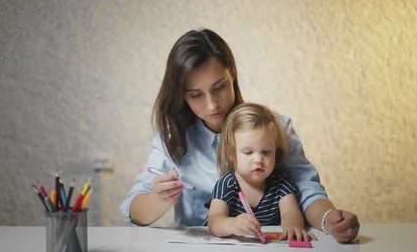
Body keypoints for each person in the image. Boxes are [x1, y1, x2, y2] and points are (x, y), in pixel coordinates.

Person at [119, 28, 360, 243]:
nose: (212, 105)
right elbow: (134, 209)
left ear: (232, 74)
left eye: (219, 87)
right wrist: (159, 199)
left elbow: (307, 189)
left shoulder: (275, 127)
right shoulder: (173, 138)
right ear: (182, 96)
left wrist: (329, 220)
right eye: (196, 95)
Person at [206, 102, 314, 242]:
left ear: (276, 151)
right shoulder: (227, 184)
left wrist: (293, 225)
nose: (258, 159)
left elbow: (290, 212)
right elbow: (215, 221)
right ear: (231, 154)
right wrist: (234, 224)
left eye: (266, 152)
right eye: (248, 152)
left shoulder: (280, 182)